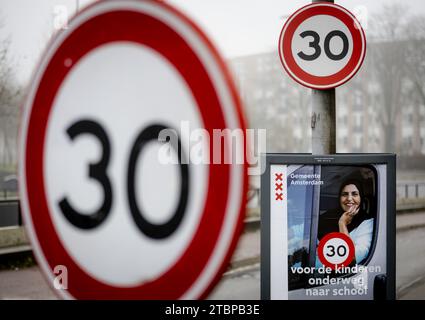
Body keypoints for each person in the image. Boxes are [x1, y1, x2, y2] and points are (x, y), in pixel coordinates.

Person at [319, 179, 374, 264]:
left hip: (347, 275)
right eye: (344, 194)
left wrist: (342, 224)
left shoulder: (367, 222)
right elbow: (301, 230)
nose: (349, 198)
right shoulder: (328, 216)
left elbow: (351, 258)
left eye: (354, 194)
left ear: (361, 197)